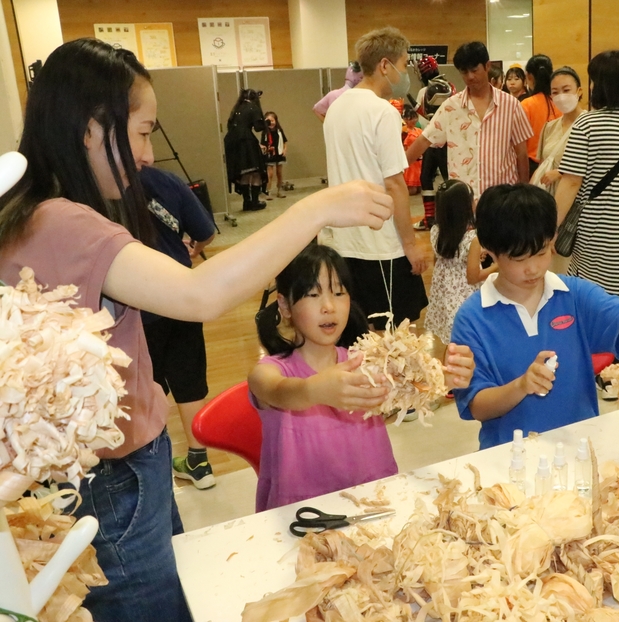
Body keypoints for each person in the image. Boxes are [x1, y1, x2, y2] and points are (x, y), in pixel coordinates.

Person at [0, 38, 393, 622]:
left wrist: (144, 393)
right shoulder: (63, 219)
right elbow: (201, 294)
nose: (147, 153)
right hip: (115, 483)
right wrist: (317, 208)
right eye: (140, 131)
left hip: (112, 471)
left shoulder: (31, 211)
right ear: (90, 128)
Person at [249, 243, 476, 511]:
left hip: (373, 501)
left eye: (338, 293)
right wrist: (315, 390)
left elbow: (407, 389)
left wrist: (446, 378)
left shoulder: (365, 361)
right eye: (312, 294)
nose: (328, 306)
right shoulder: (269, 372)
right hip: (303, 514)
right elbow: (279, 391)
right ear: (285, 306)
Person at [450, 184, 619, 450]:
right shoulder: (472, 318)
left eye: (541, 252)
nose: (533, 268)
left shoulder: (572, 294)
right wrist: (521, 385)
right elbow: (477, 405)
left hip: (581, 448)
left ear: (552, 240)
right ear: (490, 253)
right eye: (518, 259)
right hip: (509, 456)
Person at [319, 26, 429, 331]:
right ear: (385, 65)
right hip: (379, 243)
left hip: (342, 241)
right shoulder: (382, 112)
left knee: (355, 331)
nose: (405, 73)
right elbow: (395, 183)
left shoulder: (337, 106)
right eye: (404, 64)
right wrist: (411, 245)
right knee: (391, 336)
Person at [553, 50, 619, 300]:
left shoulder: (587, 125)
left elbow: (570, 183)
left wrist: (549, 230)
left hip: (596, 238)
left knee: (590, 306)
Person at [138, 166, 217, 491]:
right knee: (189, 377)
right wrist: (192, 250)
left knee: (145, 387)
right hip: (181, 294)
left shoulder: (97, 186)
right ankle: (199, 461)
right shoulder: (165, 180)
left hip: (139, 303)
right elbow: (206, 230)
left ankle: (149, 469)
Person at [406, 41, 533, 201]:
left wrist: (524, 191)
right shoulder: (451, 107)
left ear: (487, 66)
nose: (470, 76)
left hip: (502, 198)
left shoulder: (511, 105)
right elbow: (424, 140)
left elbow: (521, 153)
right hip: (464, 200)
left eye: (475, 70)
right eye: (464, 72)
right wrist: (395, 169)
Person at [425, 179, 497, 345]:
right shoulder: (473, 238)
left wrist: (469, 256)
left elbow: (440, 257)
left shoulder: (436, 230)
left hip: (444, 293)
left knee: (452, 341)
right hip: (463, 297)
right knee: (468, 340)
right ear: (466, 206)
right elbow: (473, 277)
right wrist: (497, 266)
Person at [413, 55, 454, 230]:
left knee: (426, 178)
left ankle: (430, 218)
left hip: (431, 141)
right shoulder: (451, 86)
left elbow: (420, 113)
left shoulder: (424, 92)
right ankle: (453, 218)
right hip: (448, 141)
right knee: (449, 179)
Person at [530, 66, 584, 195]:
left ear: (579, 91)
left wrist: (561, 173)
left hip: (577, 200)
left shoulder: (589, 125)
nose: (561, 96)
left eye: (566, 90)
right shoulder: (549, 127)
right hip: (549, 197)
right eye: (555, 92)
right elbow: (542, 166)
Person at [224, 88, 267, 211]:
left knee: (244, 172)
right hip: (246, 141)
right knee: (256, 171)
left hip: (232, 142)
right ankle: (254, 202)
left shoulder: (237, 108)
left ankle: (246, 202)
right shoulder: (253, 108)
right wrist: (266, 123)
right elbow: (258, 127)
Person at [521, 54, 561, 176]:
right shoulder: (560, 103)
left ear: (529, 76)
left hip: (532, 166)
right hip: (558, 166)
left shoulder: (526, 105)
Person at [261, 111, 288, 200]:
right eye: (268, 121)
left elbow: (284, 141)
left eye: (273, 120)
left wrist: (284, 150)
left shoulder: (279, 131)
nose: (271, 122)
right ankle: (268, 191)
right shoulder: (265, 132)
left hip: (279, 154)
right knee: (270, 174)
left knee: (279, 173)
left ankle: (279, 190)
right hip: (269, 155)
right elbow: (262, 144)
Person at [402, 106, 423, 195]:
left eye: (415, 117)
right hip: (410, 160)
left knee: (419, 189)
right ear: (405, 119)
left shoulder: (419, 130)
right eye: (411, 118)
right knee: (412, 190)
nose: (414, 120)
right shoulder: (404, 131)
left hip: (420, 160)